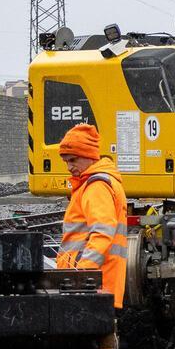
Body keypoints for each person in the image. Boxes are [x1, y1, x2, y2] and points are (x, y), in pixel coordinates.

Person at [55, 123, 129, 310]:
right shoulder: (97, 183)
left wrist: (83, 274)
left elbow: (102, 232)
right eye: (66, 162)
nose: (69, 167)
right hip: (99, 283)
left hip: (93, 285)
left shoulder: (96, 186)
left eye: (73, 160)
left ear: (88, 156)